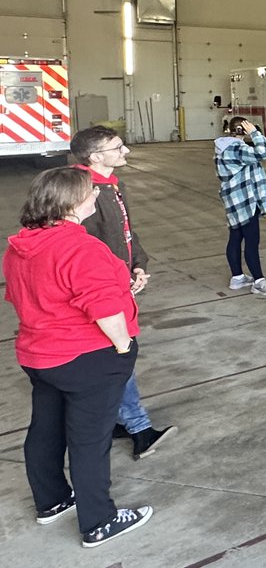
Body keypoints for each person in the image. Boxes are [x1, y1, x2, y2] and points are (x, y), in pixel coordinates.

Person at [3, 167, 153, 547]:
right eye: (90, 193)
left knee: (46, 429)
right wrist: (123, 346)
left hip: (40, 355)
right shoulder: (82, 247)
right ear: (71, 203)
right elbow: (103, 308)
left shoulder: (23, 244)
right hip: (87, 357)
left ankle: (52, 501)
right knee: (89, 441)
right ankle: (99, 521)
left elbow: (25, 297)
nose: (96, 197)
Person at [69, 126, 174, 461]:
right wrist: (116, 279)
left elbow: (127, 232)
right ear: (96, 157)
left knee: (113, 354)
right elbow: (88, 248)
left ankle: (115, 419)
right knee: (119, 352)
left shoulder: (112, 185)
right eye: (117, 147)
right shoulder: (82, 192)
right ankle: (139, 428)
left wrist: (138, 264)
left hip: (119, 280)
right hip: (102, 289)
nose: (125, 151)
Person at [213, 116, 266, 296]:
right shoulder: (236, 147)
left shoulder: (223, 146)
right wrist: (255, 134)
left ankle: (237, 277)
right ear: (242, 130)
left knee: (236, 236)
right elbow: (264, 153)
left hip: (233, 200)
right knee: (252, 240)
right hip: (246, 200)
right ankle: (259, 281)